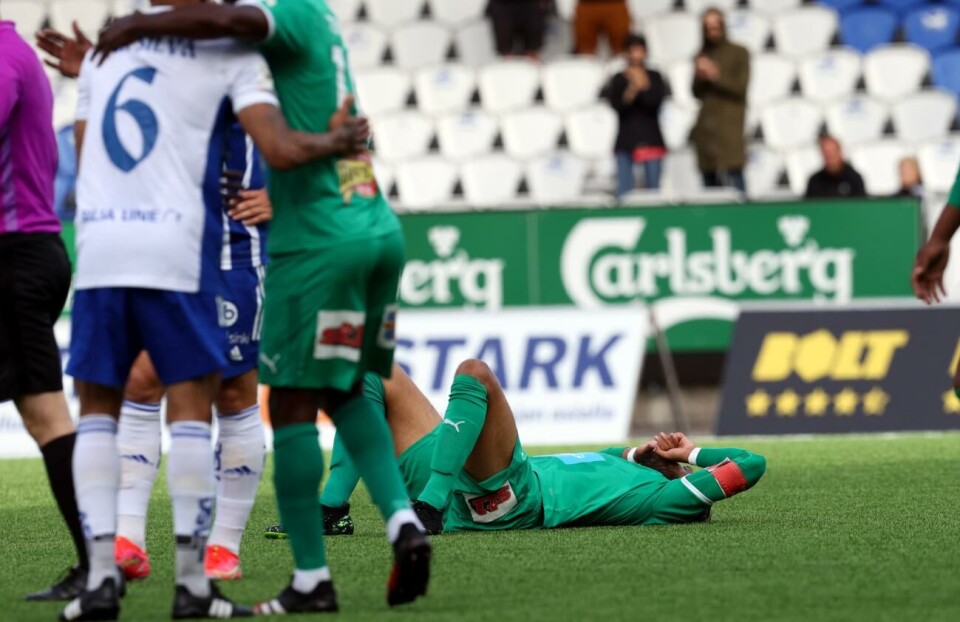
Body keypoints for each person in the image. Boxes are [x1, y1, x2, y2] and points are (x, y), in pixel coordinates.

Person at [94, 0, 432, 614]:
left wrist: (139, 25)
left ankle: (309, 577)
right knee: (350, 388)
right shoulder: (323, 23)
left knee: (294, 406)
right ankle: (402, 523)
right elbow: (348, 128)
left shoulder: (288, 17)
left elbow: (227, 28)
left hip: (317, 245)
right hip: (371, 226)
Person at [37, 22, 273, 583]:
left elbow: (335, 130)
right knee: (141, 382)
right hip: (159, 247)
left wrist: (285, 196)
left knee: (234, 393)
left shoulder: (244, 46)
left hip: (231, 252)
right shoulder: (131, 49)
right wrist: (97, 70)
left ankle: (223, 545)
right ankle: (126, 539)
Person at [267, 361, 766, 537]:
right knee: (368, 370)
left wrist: (691, 456)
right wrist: (647, 456)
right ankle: (332, 509)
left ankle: (429, 507)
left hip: (509, 499)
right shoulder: (627, 466)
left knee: (476, 375)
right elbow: (610, 455)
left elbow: (750, 464)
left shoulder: (666, 503)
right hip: (464, 471)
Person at [0, 15, 89, 603]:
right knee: (45, 416)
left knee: (46, 416)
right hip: (23, 253)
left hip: (14, 258)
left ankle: (99, 563)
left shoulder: (3, 55)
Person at [691, 8, 750, 193]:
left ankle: (744, 221)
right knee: (709, 188)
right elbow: (695, 92)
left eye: (716, 26)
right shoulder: (701, 54)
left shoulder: (739, 52)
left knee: (736, 181)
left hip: (729, 128)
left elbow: (740, 88)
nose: (712, 31)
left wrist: (715, 75)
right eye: (708, 27)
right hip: (707, 130)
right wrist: (700, 75)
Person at [606, 34, 667, 198]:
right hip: (626, 139)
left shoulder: (654, 76)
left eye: (639, 50)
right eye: (632, 51)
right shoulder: (619, 78)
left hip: (651, 138)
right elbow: (617, 106)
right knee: (625, 193)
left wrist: (644, 86)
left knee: (654, 193)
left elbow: (654, 102)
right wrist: (632, 89)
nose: (635, 55)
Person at [805, 135, 866, 199]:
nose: (829, 157)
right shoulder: (815, 181)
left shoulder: (854, 179)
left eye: (831, 153)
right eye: (826, 153)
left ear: (840, 152)